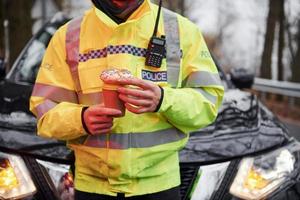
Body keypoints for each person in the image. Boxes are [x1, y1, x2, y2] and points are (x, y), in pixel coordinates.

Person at [30, 0, 224, 199]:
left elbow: (207, 102)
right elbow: (45, 111)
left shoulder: (182, 31)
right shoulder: (68, 36)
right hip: (92, 187)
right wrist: (81, 118)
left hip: (160, 186)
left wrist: (164, 99)